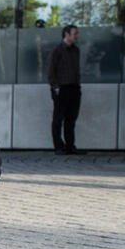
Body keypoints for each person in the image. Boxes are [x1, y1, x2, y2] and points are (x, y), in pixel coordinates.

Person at [47, 24, 84, 155]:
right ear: (66, 35)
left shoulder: (76, 50)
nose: (77, 36)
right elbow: (51, 71)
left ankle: (70, 145)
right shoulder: (57, 50)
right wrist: (55, 87)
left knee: (71, 119)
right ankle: (58, 146)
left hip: (74, 87)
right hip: (61, 88)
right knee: (58, 118)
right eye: (75, 34)